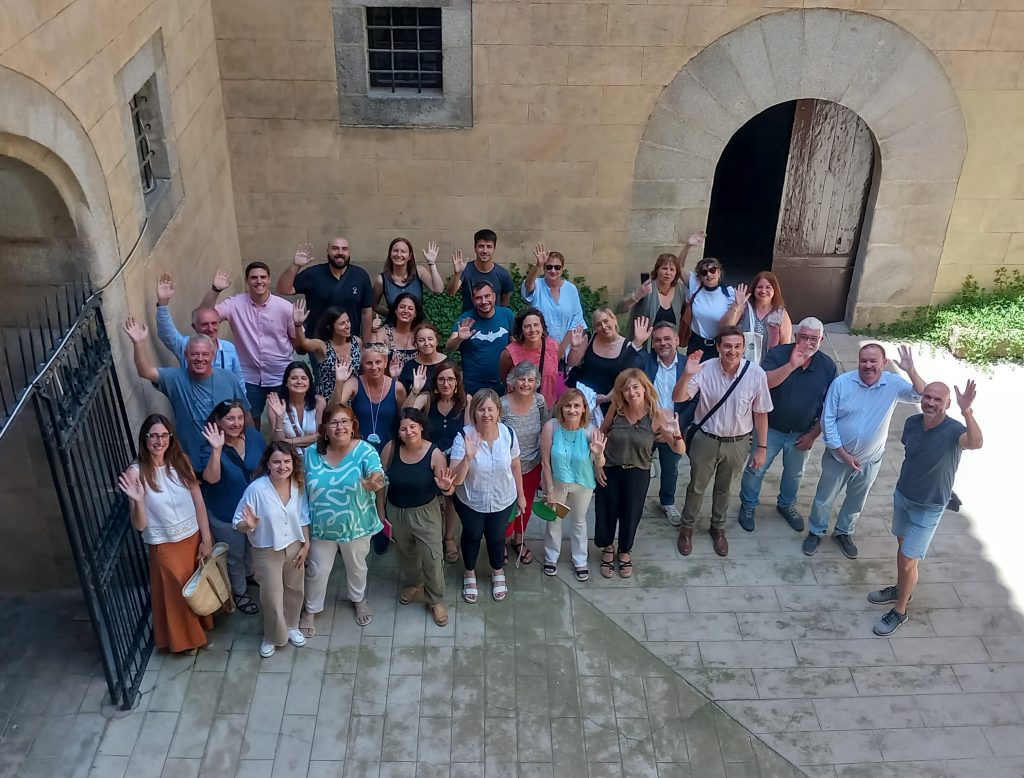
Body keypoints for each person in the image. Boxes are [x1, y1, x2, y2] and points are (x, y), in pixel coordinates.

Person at [868, 380, 983, 636]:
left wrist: (967, 411)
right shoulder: (911, 423)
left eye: (938, 399)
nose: (930, 403)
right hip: (904, 496)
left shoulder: (955, 431)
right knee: (902, 547)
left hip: (929, 506)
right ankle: (901, 589)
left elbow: (975, 443)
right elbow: (913, 452)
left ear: (947, 404)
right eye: (927, 397)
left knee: (909, 560)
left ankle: (899, 611)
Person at [802, 343, 925, 559]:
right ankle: (816, 531)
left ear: (884, 363)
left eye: (873, 361)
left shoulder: (893, 384)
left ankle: (843, 532)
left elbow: (920, 396)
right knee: (825, 497)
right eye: (863, 361)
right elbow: (827, 419)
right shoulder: (841, 384)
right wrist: (842, 453)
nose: (868, 365)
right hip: (837, 457)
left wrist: (911, 371)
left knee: (857, 499)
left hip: (870, 460)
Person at [672, 326, 773, 557]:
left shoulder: (756, 374)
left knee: (724, 489)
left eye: (737, 346)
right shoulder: (705, 369)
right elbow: (678, 397)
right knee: (697, 486)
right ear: (718, 347)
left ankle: (718, 528)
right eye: (727, 346)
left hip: (738, 442)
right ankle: (686, 528)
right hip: (706, 439)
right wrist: (687, 373)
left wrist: (762, 447)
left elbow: (761, 413)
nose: (732, 351)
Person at [118, 415, 214, 655]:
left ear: (171, 438)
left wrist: (206, 538)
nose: (159, 441)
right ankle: (187, 641)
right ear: (145, 439)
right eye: (153, 435)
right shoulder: (135, 473)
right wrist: (138, 502)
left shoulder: (181, 462)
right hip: (165, 544)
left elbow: (198, 502)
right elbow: (139, 525)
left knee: (195, 588)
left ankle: (199, 630)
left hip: (191, 538)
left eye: (163, 435)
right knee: (176, 595)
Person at [738, 318, 837, 533]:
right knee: (756, 469)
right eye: (804, 337)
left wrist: (813, 436)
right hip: (770, 429)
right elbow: (763, 383)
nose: (808, 343)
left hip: (802, 433)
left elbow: (830, 407)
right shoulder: (778, 354)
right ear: (795, 337)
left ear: (821, 340)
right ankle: (748, 505)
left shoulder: (827, 366)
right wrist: (791, 365)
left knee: (795, 474)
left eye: (814, 339)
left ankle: (786, 504)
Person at [300, 403, 385, 632]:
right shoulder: (311, 454)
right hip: (320, 528)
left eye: (345, 421)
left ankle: (359, 599)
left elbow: (377, 473)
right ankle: (311, 609)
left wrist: (371, 482)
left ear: (353, 425)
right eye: (334, 422)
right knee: (317, 570)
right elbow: (299, 488)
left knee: (357, 567)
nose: (340, 427)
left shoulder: (365, 450)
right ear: (325, 428)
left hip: (356, 525)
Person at [596, 369, 685, 577]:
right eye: (625, 389)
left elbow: (679, 450)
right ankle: (607, 547)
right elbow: (601, 435)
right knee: (606, 511)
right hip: (610, 468)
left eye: (635, 387)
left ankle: (625, 551)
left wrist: (677, 433)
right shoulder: (615, 410)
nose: (631, 392)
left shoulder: (657, 415)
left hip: (638, 471)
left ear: (645, 388)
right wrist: (597, 465)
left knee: (631, 514)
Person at [123, 319, 250, 463]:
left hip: (228, 457)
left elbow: (245, 412)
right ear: (186, 355)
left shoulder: (229, 378)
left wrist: (250, 441)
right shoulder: (174, 378)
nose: (200, 359)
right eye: (194, 354)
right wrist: (138, 343)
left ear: (212, 355)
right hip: (191, 459)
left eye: (204, 354)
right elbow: (145, 371)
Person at [233, 442, 311, 659]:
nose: (282, 466)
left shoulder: (297, 484)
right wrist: (248, 526)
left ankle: (292, 626)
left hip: (295, 545)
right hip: (267, 551)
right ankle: (272, 636)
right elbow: (238, 522)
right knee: (272, 597)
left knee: (295, 590)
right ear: (267, 463)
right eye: (276, 461)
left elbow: (303, 516)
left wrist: (306, 544)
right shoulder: (256, 490)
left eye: (287, 461)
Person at [449, 390, 528, 604]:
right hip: (471, 501)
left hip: (503, 498)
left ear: (498, 411)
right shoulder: (463, 437)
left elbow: (515, 464)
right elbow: (455, 480)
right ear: (473, 412)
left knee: (496, 536)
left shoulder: (508, 433)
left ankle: (496, 569)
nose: (486, 414)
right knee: (472, 535)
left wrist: (521, 495)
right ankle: (469, 572)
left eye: (490, 409)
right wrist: (468, 457)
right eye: (481, 409)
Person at [381, 409, 456, 627]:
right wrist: (381, 511)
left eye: (413, 426)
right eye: (403, 428)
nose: (408, 431)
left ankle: (435, 600)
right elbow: (381, 481)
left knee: (432, 558)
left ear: (421, 427)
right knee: (405, 554)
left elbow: (447, 490)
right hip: (396, 510)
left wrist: (447, 488)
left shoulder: (434, 454)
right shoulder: (390, 448)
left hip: (425, 513)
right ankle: (415, 583)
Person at [201, 262, 295, 429]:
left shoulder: (285, 308)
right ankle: (256, 452)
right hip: (249, 377)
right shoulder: (234, 304)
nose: (259, 281)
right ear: (247, 281)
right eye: (254, 277)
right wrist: (215, 289)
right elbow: (204, 316)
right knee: (250, 421)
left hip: (279, 374)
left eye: (263, 277)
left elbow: (295, 339)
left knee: (285, 422)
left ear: (269, 279)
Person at [197, 399, 266, 616]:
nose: (236, 423)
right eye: (229, 418)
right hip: (226, 514)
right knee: (235, 555)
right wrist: (217, 450)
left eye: (239, 418)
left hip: (253, 510)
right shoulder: (209, 448)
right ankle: (240, 592)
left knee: (251, 548)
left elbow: (264, 464)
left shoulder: (253, 437)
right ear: (218, 421)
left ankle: (249, 574)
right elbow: (212, 478)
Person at [406, 359, 469, 565]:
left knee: (452, 499)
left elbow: (468, 433)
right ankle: (426, 537)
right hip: (429, 457)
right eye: (441, 379)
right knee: (428, 499)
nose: (446, 383)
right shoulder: (427, 399)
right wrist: (415, 391)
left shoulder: (466, 401)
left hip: (455, 458)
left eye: (450, 379)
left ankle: (449, 538)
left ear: (457, 381)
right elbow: (407, 415)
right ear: (436, 382)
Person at [539, 389, 606, 580]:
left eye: (577, 406)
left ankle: (580, 560)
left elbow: (600, 464)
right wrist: (549, 490)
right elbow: (545, 462)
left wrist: (599, 453)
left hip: (582, 485)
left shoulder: (590, 431)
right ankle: (551, 557)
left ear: (584, 409)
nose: (572, 410)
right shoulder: (551, 427)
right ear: (561, 407)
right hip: (558, 485)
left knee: (578, 522)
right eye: (568, 405)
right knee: (554, 520)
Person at [155, 272, 243, 388]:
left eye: (214, 323)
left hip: (226, 403)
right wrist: (163, 304)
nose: (210, 329)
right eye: (205, 325)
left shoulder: (228, 348)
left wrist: (242, 404)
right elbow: (167, 333)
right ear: (194, 327)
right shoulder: (186, 345)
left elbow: (239, 380)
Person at [276, 238, 374, 341]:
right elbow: (284, 289)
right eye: (335, 248)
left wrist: (366, 343)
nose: (340, 253)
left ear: (349, 252)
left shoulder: (360, 276)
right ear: (328, 251)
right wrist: (295, 265)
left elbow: (366, 313)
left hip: (350, 343)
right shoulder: (313, 274)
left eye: (344, 249)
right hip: (317, 343)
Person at [640, 321, 689, 526]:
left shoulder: (688, 365)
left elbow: (694, 402)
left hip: (673, 427)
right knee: (640, 466)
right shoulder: (644, 362)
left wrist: (676, 427)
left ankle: (667, 502)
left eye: (667, 338)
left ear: (677, 340)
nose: (663, 343)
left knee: (671, 468)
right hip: (647, 426)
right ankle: (636, 500)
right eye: (658, 340)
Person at [500, 362, 548, 566]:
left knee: (525, 505)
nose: (526, 384)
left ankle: (519, 540)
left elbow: (546, 427)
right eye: (521, 379)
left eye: (530, 380)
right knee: (506, 506)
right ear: (513, 381)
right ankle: (502, 540)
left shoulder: (540, 401)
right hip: (508, 467)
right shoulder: (502, 404)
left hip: (532, 464)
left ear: (536, 382)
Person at [617, 231, 705, 344]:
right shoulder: (646, 287)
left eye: (672, 269)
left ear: (676, 273)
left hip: (667, 349)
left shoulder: (680, 290)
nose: (668, 273)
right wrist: (636, 296)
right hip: (643, 347)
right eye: (664, 268)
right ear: (657, 270)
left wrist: (687, 246)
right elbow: (621, 308)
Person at [566, 310, 648, 414]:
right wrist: (575, 347)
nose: (604, 327)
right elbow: (571, 363)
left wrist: (607, 398)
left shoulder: (629, 348)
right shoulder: (590, 338)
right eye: (599, 324)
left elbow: (626, 378)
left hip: (609, 403)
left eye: (606, 321)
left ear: (614, 319)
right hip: (581, 399)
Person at [331, 343, 406, 452]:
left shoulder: (397, 387)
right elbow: (334, 409)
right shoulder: (354, 384)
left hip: (390, 448)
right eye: (369, 363)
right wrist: (339, 382)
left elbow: (405, 417)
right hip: (359, 448)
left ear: (385, 363)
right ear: (362, 364)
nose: (374, 367)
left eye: (378, 362)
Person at [446, 282, 516, 395]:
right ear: (473, 300)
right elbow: (449, 346)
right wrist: (459, 338)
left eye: (487, 296)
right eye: (478, 298)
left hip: (501, 383)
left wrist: (514, 374)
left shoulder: (506, 314)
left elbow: (514, 344)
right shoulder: (466, 320)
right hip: (474, 385)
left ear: (494, 296)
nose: (484, 301)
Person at [291, 301, 362, 399]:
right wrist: (298, 325)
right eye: (342, 323)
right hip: (327, 400)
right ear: (330, 327)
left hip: (353, 397)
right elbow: (303, 343)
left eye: (348, 321)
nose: (347, 326)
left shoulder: (357, 341)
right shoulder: (322, 346)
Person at [521, 244, 587, 348]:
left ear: (562, 269)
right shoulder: (537, 284)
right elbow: (528, 285)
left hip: (566, 349)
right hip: (540, 349)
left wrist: (561, 349)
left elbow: (576, 322)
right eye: (549, 267)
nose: (553, 270)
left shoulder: (571, 289)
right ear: (544, 268)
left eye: (557, 267)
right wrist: (538, 265)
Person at [719, 271, 793, 362]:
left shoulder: (781, 314)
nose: (763, 291)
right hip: (742, 364)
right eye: (759, 287)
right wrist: (736, 306)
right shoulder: (744, 307)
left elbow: (785, 346)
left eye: (768, 287)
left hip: (769, 366)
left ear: (775, 290)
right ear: (754, 289)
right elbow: (726, 328)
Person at [499, 307, 562, 408]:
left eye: (536, 325)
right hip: (519, 407)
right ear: (521, 329)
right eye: (527, 326)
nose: (532, 330)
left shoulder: (553, 346)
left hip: (546, 406)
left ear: (542, 327)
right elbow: (504, 377)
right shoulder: (509, 353)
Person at [681, 256, 736, 361]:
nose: (709, 274)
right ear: (700, 277)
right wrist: (688, 245)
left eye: (712, 270)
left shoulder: (730, 293)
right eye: (704, 272)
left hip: (719, 346)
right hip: (696, 344)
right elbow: (679, 267)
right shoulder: (695, 286)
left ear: (719, 273)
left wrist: (738, 305)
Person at [446, 228, 513, 311]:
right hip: (469, 320)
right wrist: (457, 274)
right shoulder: (465, 269)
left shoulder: (503, 274)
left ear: (494, 249)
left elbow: (505, 304)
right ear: (475, 248)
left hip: (493, 321)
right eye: (481, 246)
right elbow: (451, 292)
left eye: (489, 247)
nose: (485, 251)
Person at [373, 237, 444, 312]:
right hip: (395, 323)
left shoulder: (419, 271)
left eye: (403, 251)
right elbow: (374, 305)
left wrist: (432, 263)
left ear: (410, 256)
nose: (399, 254)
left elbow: (438, 289)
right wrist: (391, 315)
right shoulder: (382, 280)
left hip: (418, 322)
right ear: (390, 254)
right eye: (395, 251)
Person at [267, 361, 325, 452]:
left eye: (304, 378)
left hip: (314, 455)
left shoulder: (319, 402)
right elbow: (277, 442)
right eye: (294, 378)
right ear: (286, 382)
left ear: (309, 383)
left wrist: (289, 441)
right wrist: (279, 418)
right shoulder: (276, 405)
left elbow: (320, 435)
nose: (299, 382)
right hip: (288, 457)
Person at [368, 292, 425, 372]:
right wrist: (374, 332)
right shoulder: (384, 332)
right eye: (402, 307)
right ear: (395, 310)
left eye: (410, 308)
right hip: (388, 380)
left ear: (415, 313)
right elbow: (372, 356)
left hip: (416, 380)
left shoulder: (419, 333)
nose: (406, 311)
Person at [396, 322, 447, 393]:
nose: (426, 343)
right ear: (416, 344)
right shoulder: (409, 367)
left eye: (430, 339)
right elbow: (402, 398)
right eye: (421, 340)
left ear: (437, 341)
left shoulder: (448, 364)